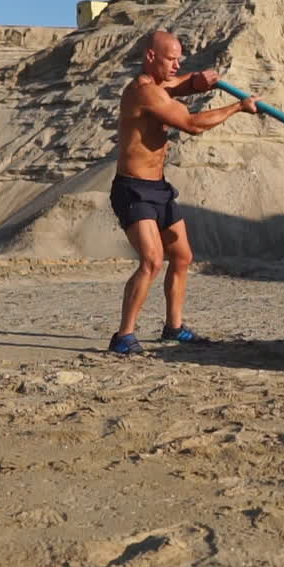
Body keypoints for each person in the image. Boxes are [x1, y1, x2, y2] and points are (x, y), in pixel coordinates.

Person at [107, 29, 260, 354]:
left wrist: (200, 81)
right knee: (151, 261)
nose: (177, 64)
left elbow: (180, 84)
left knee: (182, 257)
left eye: (180, 59)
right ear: (151, 57)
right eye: (171, 59)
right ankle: (123, 336)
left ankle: (173, 328)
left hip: (159, 188)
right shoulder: (143, 93)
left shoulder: (161, 84)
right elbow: (191, 124)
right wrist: (237, 108)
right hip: (133, 190)